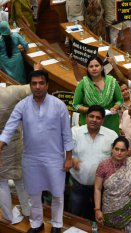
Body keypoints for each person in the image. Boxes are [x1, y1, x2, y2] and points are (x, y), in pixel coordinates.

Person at [0, 70, 74, 233]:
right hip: (30, 158)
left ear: (47, 85)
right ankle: (36, 223)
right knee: (33, 194)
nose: (38, 87)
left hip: (55, 158)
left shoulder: (58, 105)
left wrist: (69, 157)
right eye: (34, 83)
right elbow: (9, 127)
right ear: (30, 86)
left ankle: (56, 224)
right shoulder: (23, 105)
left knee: (57, 194)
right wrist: (1, 145)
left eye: (41, 83)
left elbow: (67, 134)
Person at [69, 105, 118, 220]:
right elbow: (63, 152)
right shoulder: (75, 132)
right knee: (74, 215)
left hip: (102, 187)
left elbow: (117, 159)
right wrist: (71, 160)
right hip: (77, 184)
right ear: (86, 117)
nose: (94, 120)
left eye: (98, 117)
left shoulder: (112, 135)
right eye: (91, 116)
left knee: (97, 218)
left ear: (103, 120)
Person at [94, 137, 131, 232]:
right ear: (112, 149)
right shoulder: (104, 165)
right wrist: (97, 210)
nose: (119, 152)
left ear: (127, 151)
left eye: (122, 150)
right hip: (110, 209)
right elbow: (97, 189)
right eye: (116, 149)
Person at [0, 84, 31, 224]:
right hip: (16, 142)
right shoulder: (9, 93)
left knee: (1, 181)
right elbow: (31, 88)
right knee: (20, 177)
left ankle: (7, 216)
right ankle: (28, 211)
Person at [72, 56, 123, 134]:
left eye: (97, 66)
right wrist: (90, 111)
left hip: (110, 122)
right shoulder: (83, 83)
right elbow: (76, 105)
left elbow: (120, 100)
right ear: (87, 69)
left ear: (102, 67)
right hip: (90, 124)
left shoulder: (112, 82)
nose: (94, 68)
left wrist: (115, 107)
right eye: (91, 66)